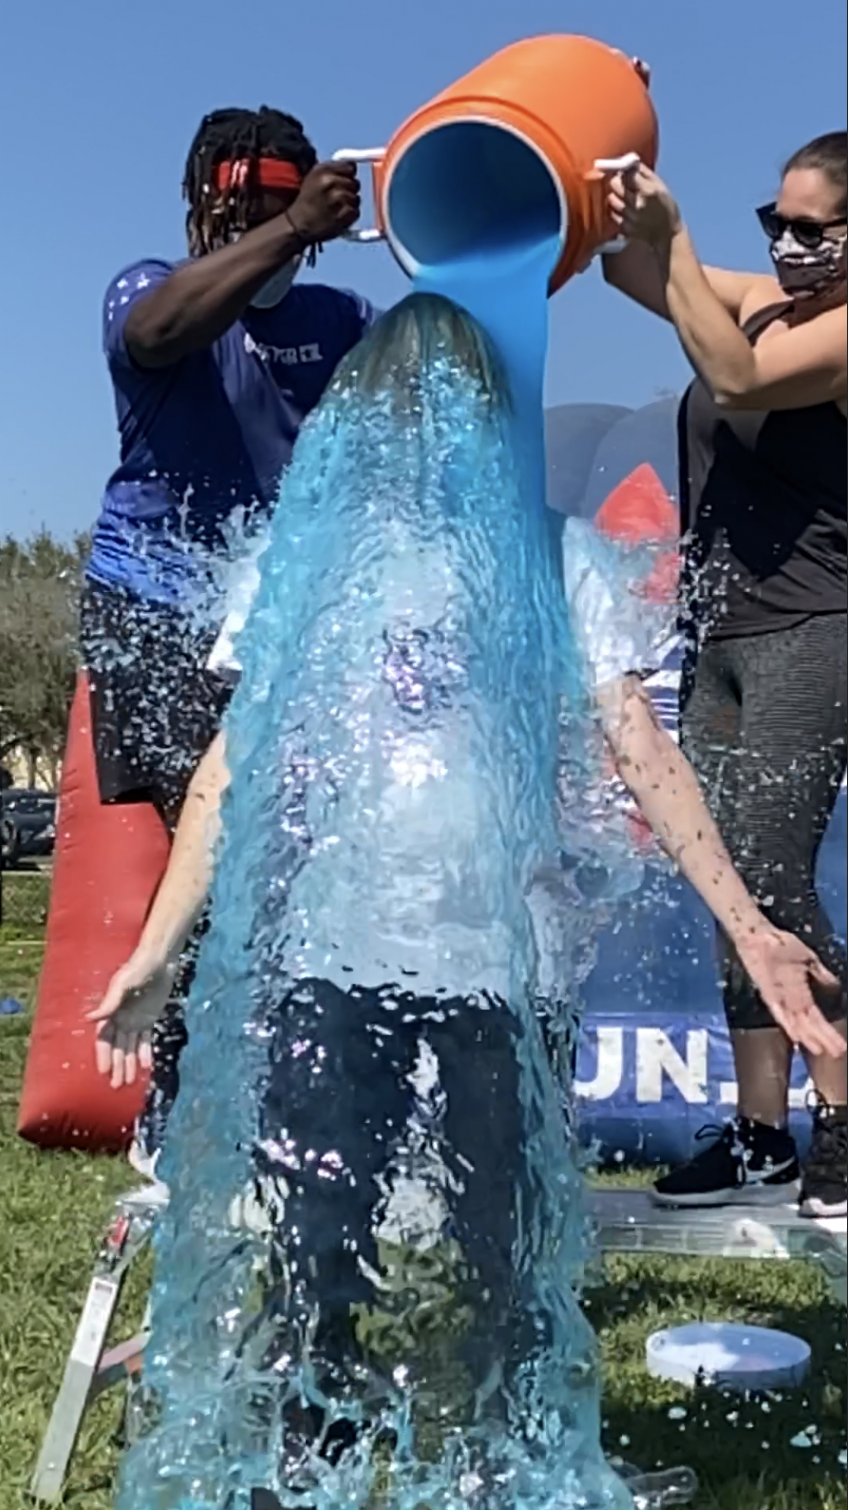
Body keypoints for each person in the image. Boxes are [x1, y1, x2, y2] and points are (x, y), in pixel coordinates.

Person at [90, 295, 842, 1495]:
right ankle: (309, 1453)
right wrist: (160, 948)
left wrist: (749, 925)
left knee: (508, 1245)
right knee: (315, 1246)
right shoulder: (309, 569)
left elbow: (642, 752)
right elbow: (233, 767)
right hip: (335, 958)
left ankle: (519, 1458)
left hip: (508, 966)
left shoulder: (553, 554)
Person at [82, 106, 375, 1166]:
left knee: (291, 865)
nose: (254, 213)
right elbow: (164, 332)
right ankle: (183, 1102)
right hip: (155, 609)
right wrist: (291, 228)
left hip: (279, 619)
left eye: (281, 194)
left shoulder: (344, 315)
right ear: (201, 193)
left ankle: (260, 1091)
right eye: (242, 196)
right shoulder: (144, 287)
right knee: (214, 856)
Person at [603, 131, 847, 1216]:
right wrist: (610, 147)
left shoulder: (825, 333)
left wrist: (681, 239)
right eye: (774, 223)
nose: (787, 247)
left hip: (814, 627)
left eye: (811, 229)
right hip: (719, 636)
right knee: (728, 881)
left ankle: (839, 1118)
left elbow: (734, 371)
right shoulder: (756, 297)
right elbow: (623, 266)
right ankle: (760, 1136)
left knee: (777, 871)